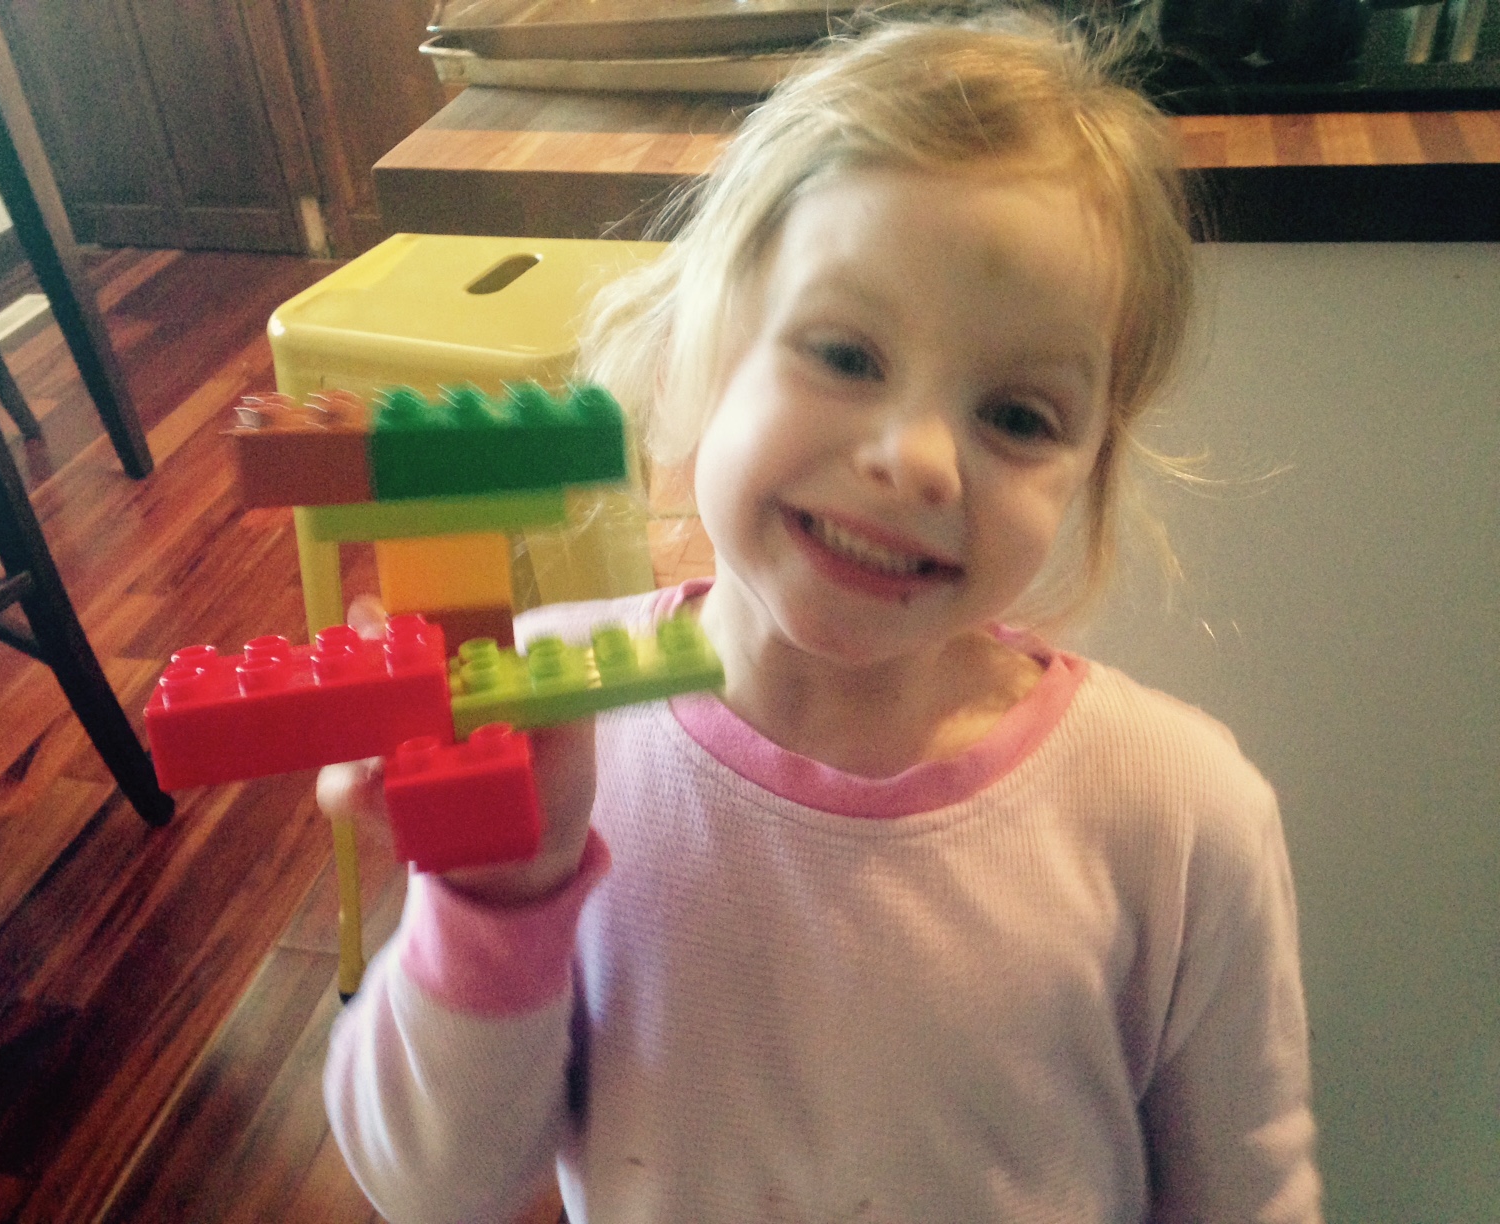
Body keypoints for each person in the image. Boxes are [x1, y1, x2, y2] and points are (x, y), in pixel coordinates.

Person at [320, 10, 1322, 1223]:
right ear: (699, 356)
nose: (917, 460)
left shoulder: (1179, 815)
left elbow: (1249, 1193)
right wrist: (498, 893)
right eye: (846, 355)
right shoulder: (549, 721)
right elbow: (433, 1185)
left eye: (1017, 416)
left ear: (1089, 476)